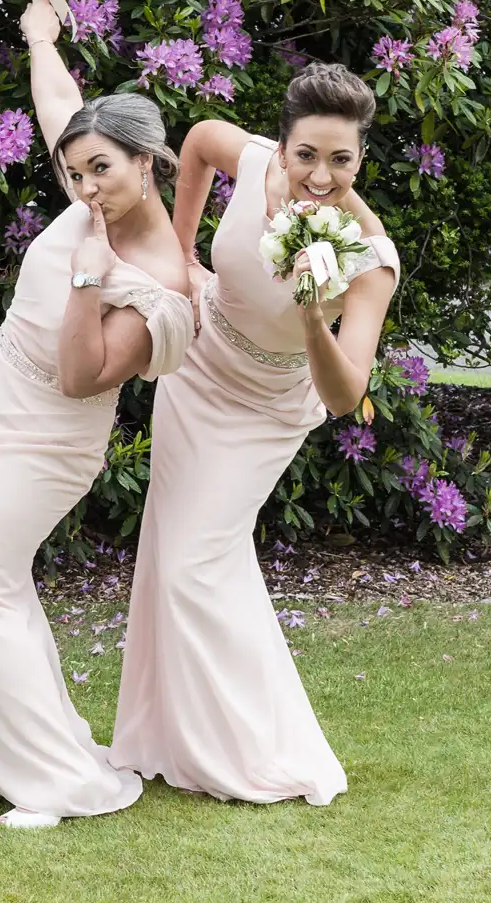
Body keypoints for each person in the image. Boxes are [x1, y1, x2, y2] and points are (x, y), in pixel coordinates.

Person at [0, 0, 194, 829]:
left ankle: (56, 783)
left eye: (103, 170)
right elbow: (59, 104)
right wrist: (41, 38)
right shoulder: (91, 198)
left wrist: (88, 275)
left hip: (46, 437)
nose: (85, 187)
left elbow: (83, 375)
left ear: (148, 162)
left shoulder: (163, 277)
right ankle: (20, 745)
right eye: (76, 172)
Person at [111, 64, 400, 806]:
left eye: (341, 159)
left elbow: (345, 395)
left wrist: (311, 313)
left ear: (360, 160)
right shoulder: (254, 161)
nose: (320, 173)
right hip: (200, 367)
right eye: (307, 153)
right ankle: (163, 735)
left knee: (194, 564)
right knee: (168, 548)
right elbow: (201, 142)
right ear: (285, 142)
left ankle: (254, 746)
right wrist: (177, 257)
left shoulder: (370, 259)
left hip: (267, 406)